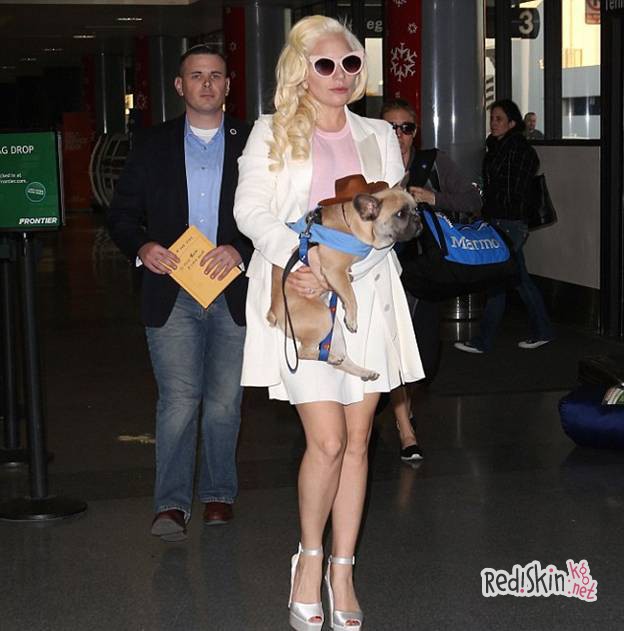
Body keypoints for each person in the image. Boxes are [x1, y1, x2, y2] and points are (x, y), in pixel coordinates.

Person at [233, 16, 424, 631]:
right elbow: (250, 210)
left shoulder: (378, 133)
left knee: (360, 441)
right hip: (302, 300)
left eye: (350, 63)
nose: (339, 75)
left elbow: (390, 219)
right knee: (329, 441)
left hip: (368, 294)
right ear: (300, 70)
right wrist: (300, 260)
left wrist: (349, 265)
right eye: (325, 64)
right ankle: (308, 560)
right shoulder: (272, 131)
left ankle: (343, 570)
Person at [108, 45, 252, 541]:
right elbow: (121, 215)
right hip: (171, 290)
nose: (206, 84)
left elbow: (278, 213)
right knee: (178, 400)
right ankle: (170, 506)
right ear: (179, 85)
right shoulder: (151, 144)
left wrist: (241, 250)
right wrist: (142, 245)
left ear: (228, 85)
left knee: (225, 403)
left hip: (233, 291)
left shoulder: (253, 143)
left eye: (215, 75)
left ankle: (218, 494)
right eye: (196, 76)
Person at [381, 98, 482, 462]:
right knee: (392, 350)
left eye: (406, 128)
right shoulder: (366, 163)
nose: (399, 135)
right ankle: (405, 428)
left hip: (424, 272)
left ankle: (398, 408)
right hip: (380, 272)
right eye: (390, 128)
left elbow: (472, 199)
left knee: (424, 356)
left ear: (415, 132)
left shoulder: (431, 163)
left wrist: (433, 197)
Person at [455, 98, 554, 354]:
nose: (493, 123)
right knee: (516, 279)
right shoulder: (496, 148)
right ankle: (542, 330)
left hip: (510, 223)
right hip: (499, 221)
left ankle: (483, 341)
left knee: (500, 280)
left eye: (499, 119)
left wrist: (491, 210)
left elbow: (512, 190)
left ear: (512, 123)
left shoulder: (518, 150)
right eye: (492, 118)